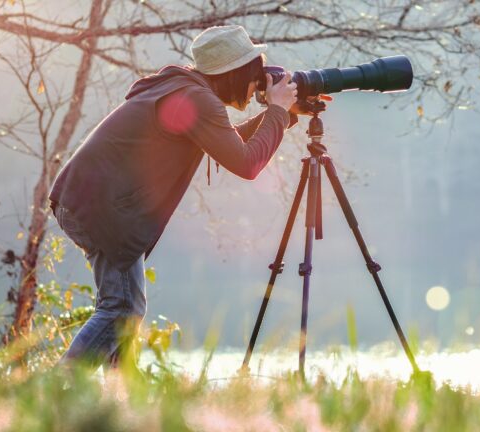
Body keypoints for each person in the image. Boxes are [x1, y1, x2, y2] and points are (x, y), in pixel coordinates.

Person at [49, 25, 307, 370]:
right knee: (122, 309)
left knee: (124, 312)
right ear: (234, 74)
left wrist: (282, 115)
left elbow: (230, 146)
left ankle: (120, 408)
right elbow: (246, 164)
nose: (257, 86)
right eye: (254, 76)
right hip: (102, 209)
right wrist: (276, 112)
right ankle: (53, 391)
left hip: (87, 201)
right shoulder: (196, 98)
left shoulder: (187, 89)